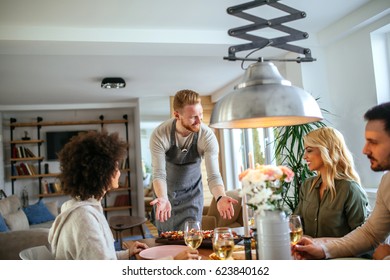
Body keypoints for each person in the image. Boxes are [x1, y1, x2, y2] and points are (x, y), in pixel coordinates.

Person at [48, 130, 199, 260]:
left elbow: (101, 258)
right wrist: (173, 260)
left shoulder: (83, 208)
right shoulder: (83, 218)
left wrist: (127, 253)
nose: (119, 172)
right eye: (116, 167)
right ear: (102, 172)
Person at [293, 102, 390, 260]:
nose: (364, 150)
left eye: (373, 142)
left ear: (327, 152)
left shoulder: (349, 189)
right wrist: (320, 248)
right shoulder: (387, 182)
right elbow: (370, 233)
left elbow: (371, 246)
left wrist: (320, 244)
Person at [149, 89, 238, 232]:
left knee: (192, 239)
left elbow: (213, 175)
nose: (199, 121)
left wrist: (220, 197)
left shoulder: (207, 136)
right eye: (193, 117)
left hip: (192, 196)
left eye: (201, 114)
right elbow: (159, 173)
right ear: (177, 115)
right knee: (167, 241)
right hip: (166, 196)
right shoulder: (160, 135)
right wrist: (163, 197)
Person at [294, 127, 369, 238]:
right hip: (308, 254)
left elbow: (363, 238)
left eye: (309, 150)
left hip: (340, 255)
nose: (305, 156)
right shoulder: (307, 185)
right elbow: (296, 223)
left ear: (327, 150)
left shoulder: (349, 189)